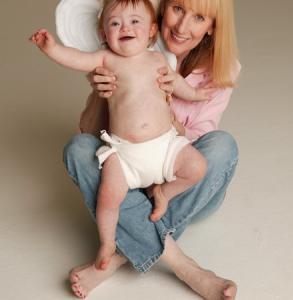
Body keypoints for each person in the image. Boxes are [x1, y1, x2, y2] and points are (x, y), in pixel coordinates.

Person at [62, 0, 240, 299]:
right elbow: (94, 134)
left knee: (223, 146)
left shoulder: (221, 70)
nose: (182, 27)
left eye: (199, 18)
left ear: (212, 28)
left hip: (181, 185)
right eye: (178, 9)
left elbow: (196, 144)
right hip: (132, 171)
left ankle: (120, 253)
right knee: (78, 149)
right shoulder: (128, 39)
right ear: (162, 10)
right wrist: (99, 93)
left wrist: (167, 106)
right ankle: (184, 265)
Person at [30, 0, 222, 272]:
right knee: (109, 199)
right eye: (115, 23)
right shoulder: (105, 59)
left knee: (197, 167)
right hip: (125, 155)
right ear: (103, 35)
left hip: (165, 147)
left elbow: (178, 85)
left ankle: (163, 195)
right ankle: (108, 242)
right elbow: (74, 58)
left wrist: (196, 94)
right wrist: (50, 48)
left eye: (135, 22)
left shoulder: (159, 59)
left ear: (151, 30)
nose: (125, 28)